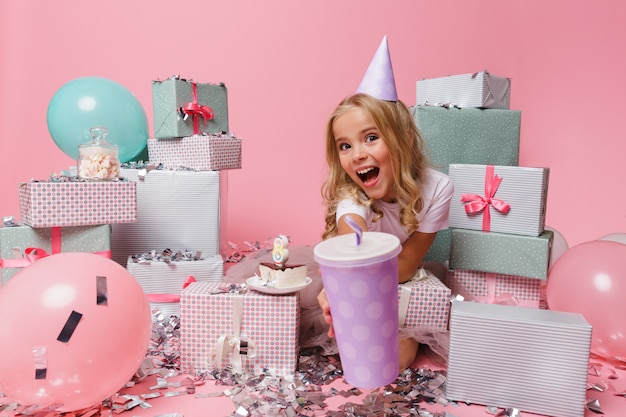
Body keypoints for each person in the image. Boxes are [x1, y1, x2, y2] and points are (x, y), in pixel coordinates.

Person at [316, 37, 454, 371]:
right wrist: (342, 288)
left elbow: (408, 260)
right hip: (351, 270)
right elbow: (352, 236)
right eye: (344, 146)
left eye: (371, 138)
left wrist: (371, 291)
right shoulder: (353, 192)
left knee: (397, 355)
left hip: (396, 276)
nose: (357, 154)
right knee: (346, 344)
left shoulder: (438, 188)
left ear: (404, 138)